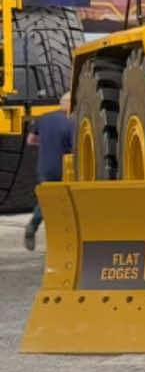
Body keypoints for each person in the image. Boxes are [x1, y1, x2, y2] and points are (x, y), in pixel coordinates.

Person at [23, 91, 72, 252]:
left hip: (44, 166)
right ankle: (60, 238)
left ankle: (36, 226)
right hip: (65, 168)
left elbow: (30, 141)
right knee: (66, 203)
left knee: (46, 201)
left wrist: (45, 144)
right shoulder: (72, 120)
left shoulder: (43, 118)